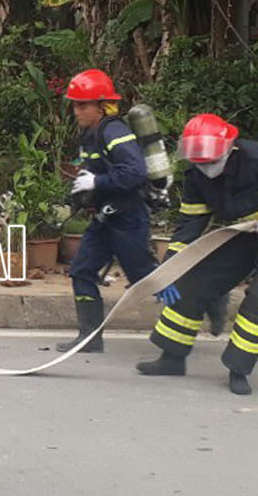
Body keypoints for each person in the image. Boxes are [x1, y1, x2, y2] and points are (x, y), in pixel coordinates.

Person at [136, 113, 258, 395]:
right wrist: (169, 270)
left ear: (228, 150)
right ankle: (171, 359)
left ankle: (238, 370)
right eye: (199, 163)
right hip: (241, 233)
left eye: (210, 162)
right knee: (190, 284)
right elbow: (190, 225)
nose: (206, 169)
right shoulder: (197, 176)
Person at [60, 69, 173, 354]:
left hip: (128, 219)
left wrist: (98, 181)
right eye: (74, 104)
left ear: (101, 105)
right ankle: (89, 338)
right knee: (82, 271)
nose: (77, 111)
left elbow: (135, 171)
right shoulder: (91, 132)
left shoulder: (114, 130)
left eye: (82, 105)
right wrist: (83, 194)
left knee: (146, 280)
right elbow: (95, 169)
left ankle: (194, 306)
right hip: (105, 219)